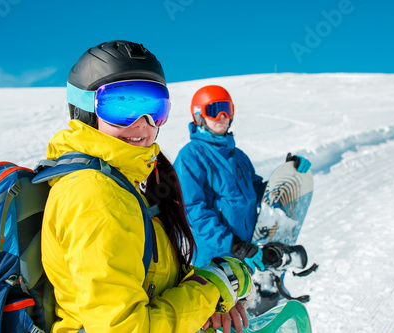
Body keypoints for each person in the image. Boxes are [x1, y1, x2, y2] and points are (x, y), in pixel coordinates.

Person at [41, 40, 255, 333]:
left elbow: (154, 284)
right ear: (84, 110)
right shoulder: (95, 196)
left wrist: (212, 295)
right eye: (122, 106)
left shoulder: (126, 184)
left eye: (155, 108)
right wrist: (213, 288)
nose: (143, 124)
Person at [173, 85, 311, 272]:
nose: (222, 116)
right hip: (213, 259)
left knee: (246, 300)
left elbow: (259, 192)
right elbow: (192, 211)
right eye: (214, 110)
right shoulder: (191, 156)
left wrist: (288, 172)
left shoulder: (239, 156)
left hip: (247, 252)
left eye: (226, 109)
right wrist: (234, 245)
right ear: (199, 116)